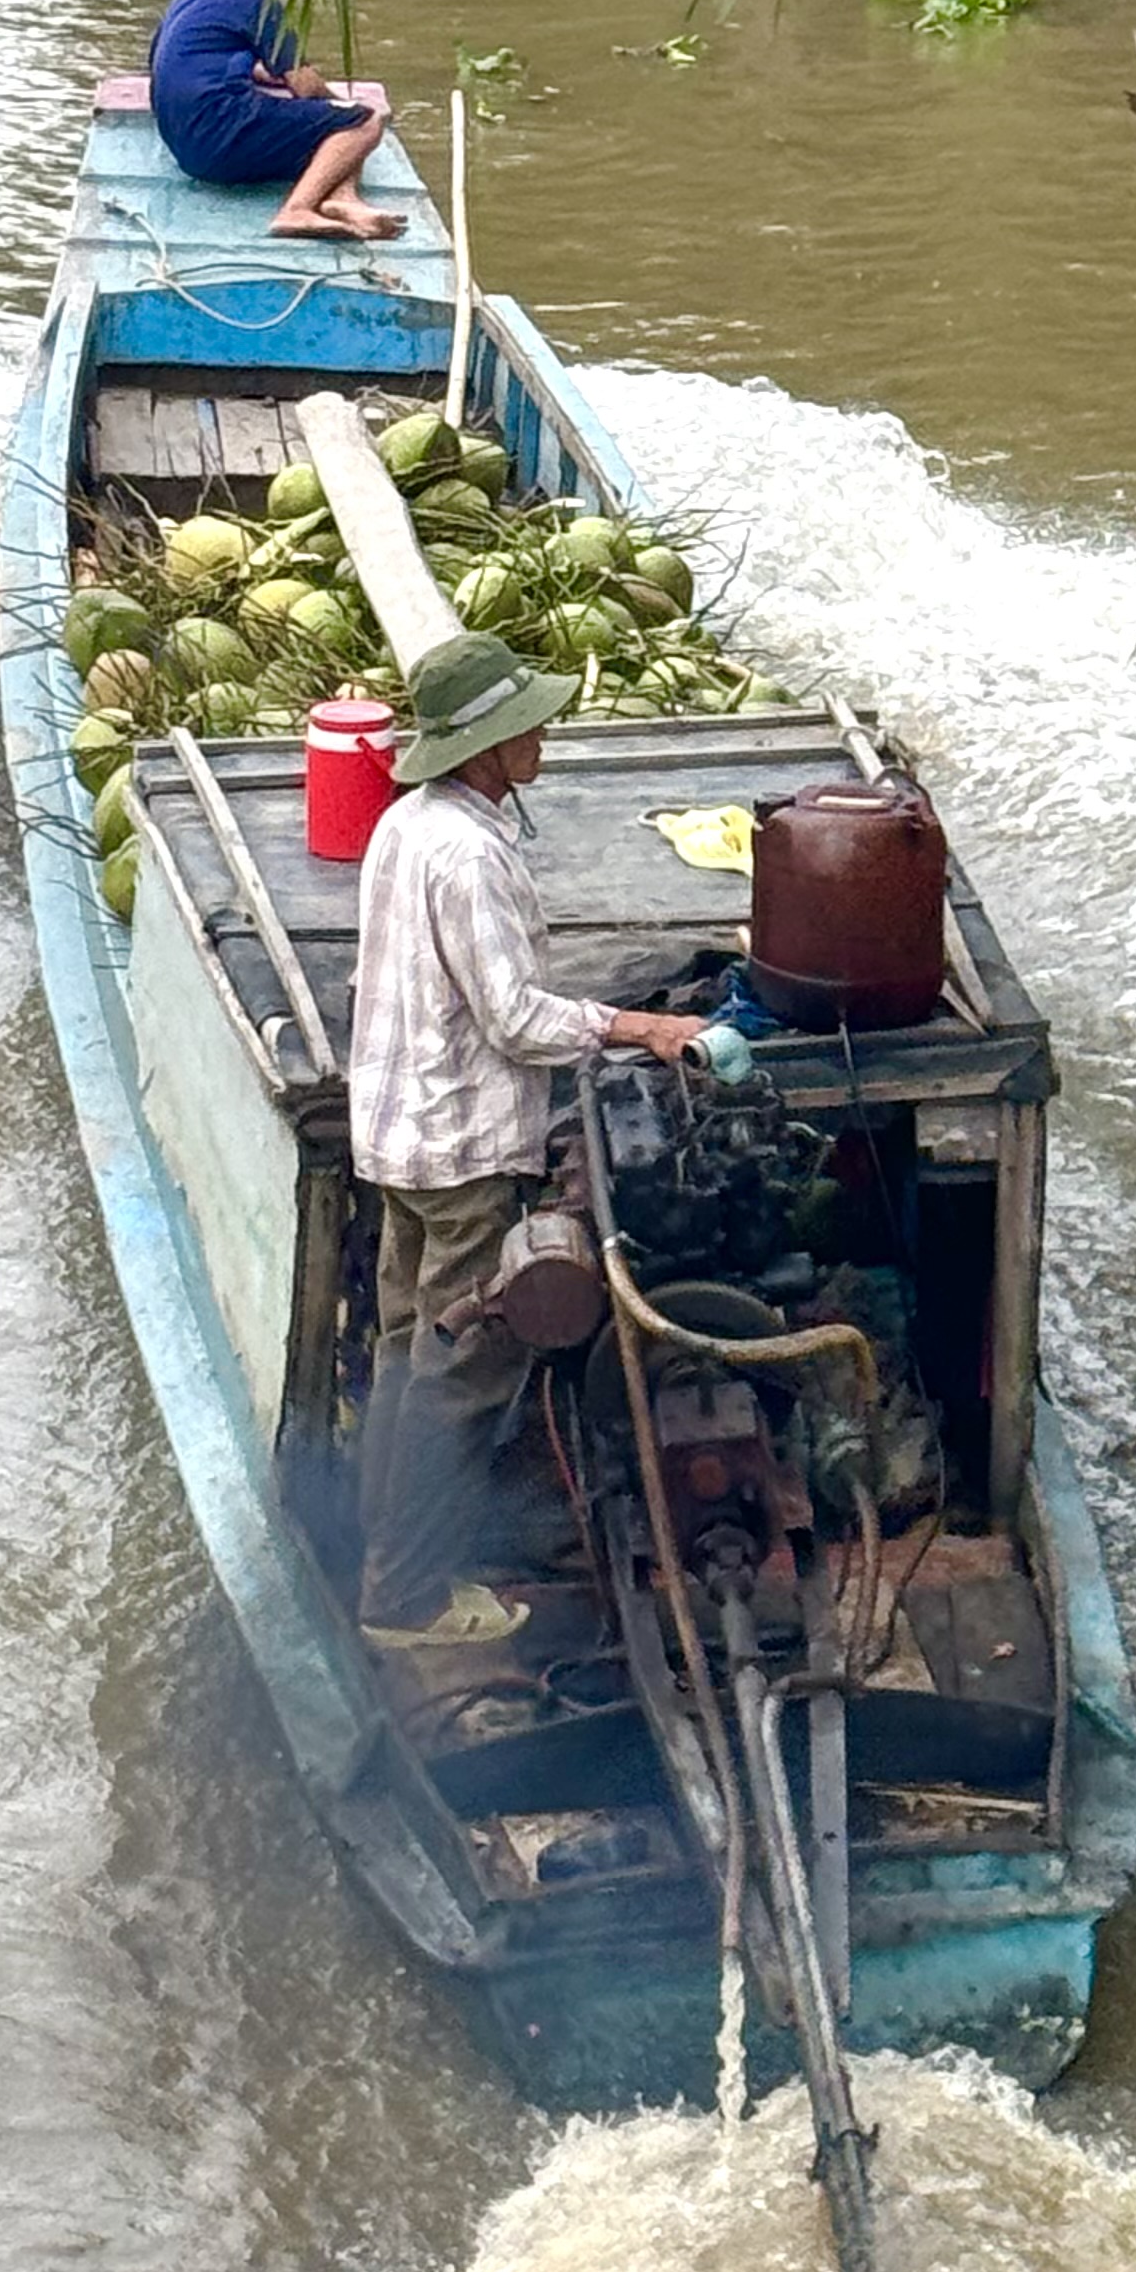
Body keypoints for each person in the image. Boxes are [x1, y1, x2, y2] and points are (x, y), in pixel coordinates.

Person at [349, 627, 704, 1650]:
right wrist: (638, 1026)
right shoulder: (467, 858)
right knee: (462, 1374)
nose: (541, 732)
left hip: (398, 1137)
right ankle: (405, 1600)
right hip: (460, 1152)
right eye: (525, 723)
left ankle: (377, 1545)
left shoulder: (410, 825)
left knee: (409, 1352)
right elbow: (512, 1017)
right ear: (489, 748)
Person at [150, 0, 400, 243]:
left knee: (325, 134)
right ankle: (297, 209)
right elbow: (306, 87)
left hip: (184, 146)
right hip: (220, 137)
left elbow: (176, 57)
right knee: (362, 122)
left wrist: (252, 71)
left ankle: (343, 200)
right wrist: (340, 107)